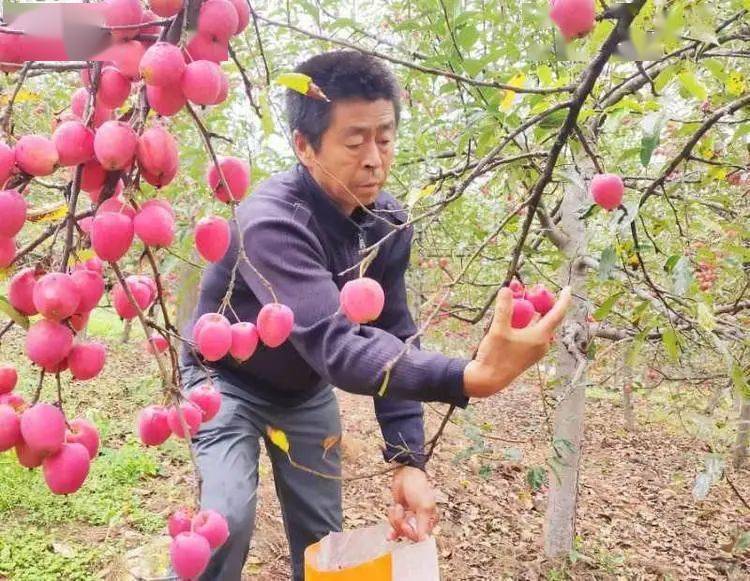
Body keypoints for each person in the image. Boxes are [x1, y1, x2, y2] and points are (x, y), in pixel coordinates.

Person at [179, 49, 571, 581]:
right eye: (354, 140)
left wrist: (406, 456)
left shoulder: (388, 223)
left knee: (325, 542)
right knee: (224, 520)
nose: (374, 159)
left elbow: (393, 331)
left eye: (384, 138)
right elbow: (338, 345)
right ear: (304, 146)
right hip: (224, 382)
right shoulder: (271, 221)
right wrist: (469, 377)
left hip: (303, 393)